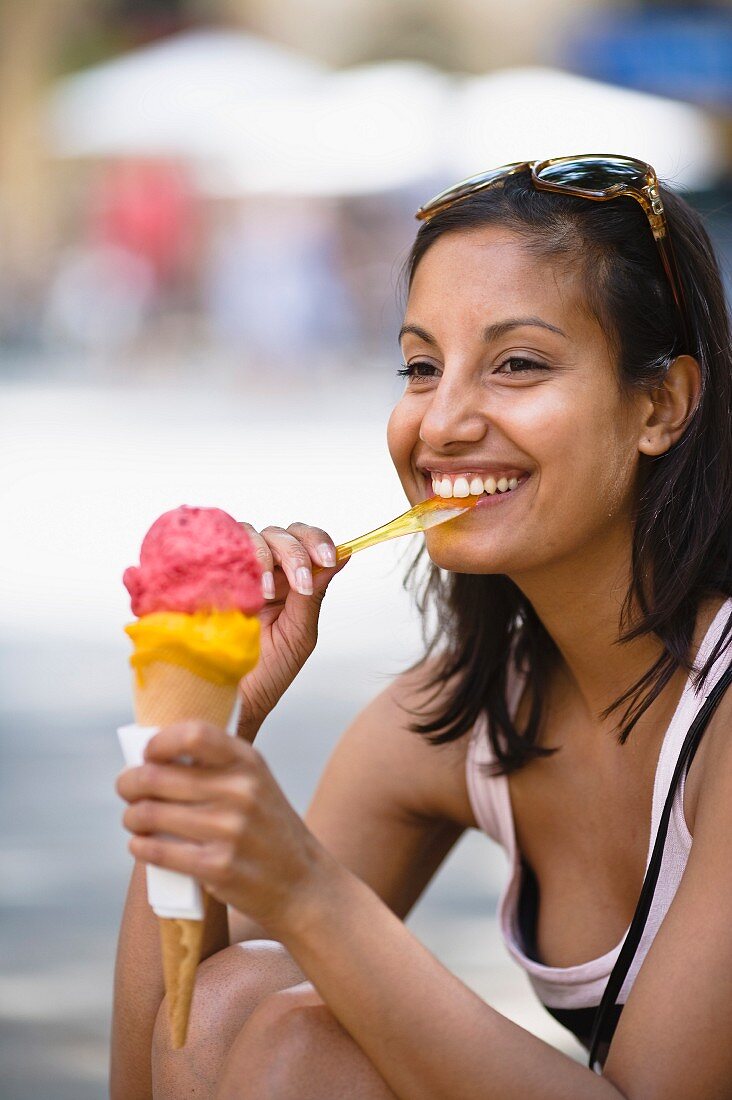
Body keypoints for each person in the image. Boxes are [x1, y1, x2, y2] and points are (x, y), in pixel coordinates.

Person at [112, 156, 732, 1099]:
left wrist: (310, 893)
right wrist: (204, 719)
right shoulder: (460, 714)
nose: (440, 423)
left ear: (661, 405)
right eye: (420, 366)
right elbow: (168, 1053)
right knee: (245, 996)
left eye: (517, 364)